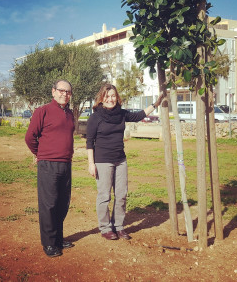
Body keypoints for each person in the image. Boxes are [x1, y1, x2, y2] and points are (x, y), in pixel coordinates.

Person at [86, 83, 163, 240]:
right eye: (107, 96)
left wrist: (156, 103)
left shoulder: (121, 114)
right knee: (104, 196)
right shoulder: (95, 118)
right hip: (103, 161)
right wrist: (90, 163)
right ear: (101, 98)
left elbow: (139, 115)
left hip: (120, 160)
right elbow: (89, 142)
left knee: (121, 195)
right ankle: (105, 228)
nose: (110, 99)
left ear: (117, 97)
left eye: (113, 96)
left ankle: (119, 226)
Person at [25, 79, 75, 257]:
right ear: (53, 91)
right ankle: (48, 243)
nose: (65, 94)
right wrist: (40, 154)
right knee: (49, 204)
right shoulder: (43, 111)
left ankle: (58, 239)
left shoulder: (69, 113)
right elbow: (30, 137)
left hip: (66, 164)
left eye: (68, 92)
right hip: (48, 165)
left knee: (62, 203)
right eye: (61, 90)